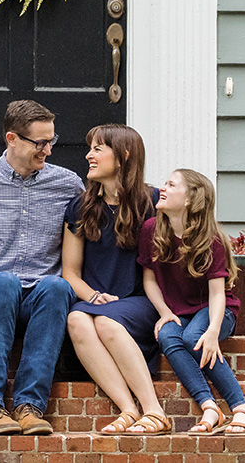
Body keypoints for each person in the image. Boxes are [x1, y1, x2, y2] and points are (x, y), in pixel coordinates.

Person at [0, 100, 84, 435]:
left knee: (56, 286)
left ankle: (29, 406)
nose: (48, 151)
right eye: (40, 143)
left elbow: (95, 239)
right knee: (4, 283)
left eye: (51, 141)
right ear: (12, 138)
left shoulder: (68, 185)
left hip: (40, 298)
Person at [62, 124, 170, 435]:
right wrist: (93, 296)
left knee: (106, 323)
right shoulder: (81, 206)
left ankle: (154, 410)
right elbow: (70, 271)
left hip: (140, 300)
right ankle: (128, 409)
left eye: (97, 149)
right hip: (95, 301)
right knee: (77, 320)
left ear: (122, 156)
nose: (88, 155)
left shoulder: (152, 203)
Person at [136, 169, 245, 435]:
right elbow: (150, 280)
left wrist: (213, 331)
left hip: (214, 311)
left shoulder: (210, 239)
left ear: (190, 199)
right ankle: (210, 407)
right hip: (178, 311)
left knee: (193, 338)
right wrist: (164, 312)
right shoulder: (151, 230)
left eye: (170, 184)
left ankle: (242, 409)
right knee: (167, 335)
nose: (161, 189)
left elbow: (217, 294)